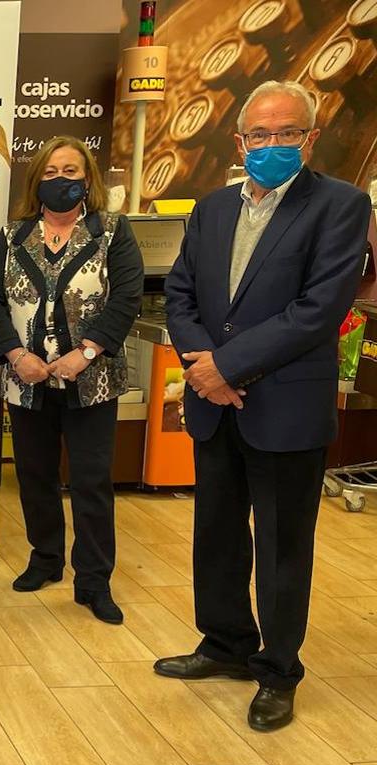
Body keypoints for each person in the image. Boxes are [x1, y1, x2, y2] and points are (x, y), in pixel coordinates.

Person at [158, 80, 371, 731]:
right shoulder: (213, 209)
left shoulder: (340, 205)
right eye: (259, 134)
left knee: (282, 546)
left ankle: (278, 671)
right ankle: (225, 644)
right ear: (240, 140)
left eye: (286, 134)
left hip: (285, 409)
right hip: (215, 403)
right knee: (216, 535)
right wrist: (204, 368)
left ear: (309, 138)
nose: (271, 145)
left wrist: (226, 365)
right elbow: (181, 294)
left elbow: (318, 310)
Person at [0, 135, 144, 625]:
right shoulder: (12, 237)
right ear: (37, 183)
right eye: (50, 173)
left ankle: (93, 581)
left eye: (70, 172)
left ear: (87, 179)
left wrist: (86, 352)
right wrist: (14, 354)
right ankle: (46, 559)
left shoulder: (113, 232)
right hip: (27, 381)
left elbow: (126, 297)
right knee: (34, 475)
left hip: (91, 380)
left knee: (92, 480)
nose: (61, 181)